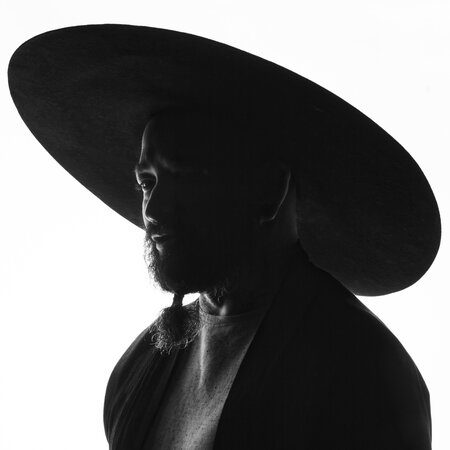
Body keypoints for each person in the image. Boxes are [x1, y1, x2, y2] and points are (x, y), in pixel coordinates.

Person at [8, 25, 440, 449]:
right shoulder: (140, 370)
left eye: (185, 176)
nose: (153, 211)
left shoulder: (360, 370)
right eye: (147, 182)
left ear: (269, 189)